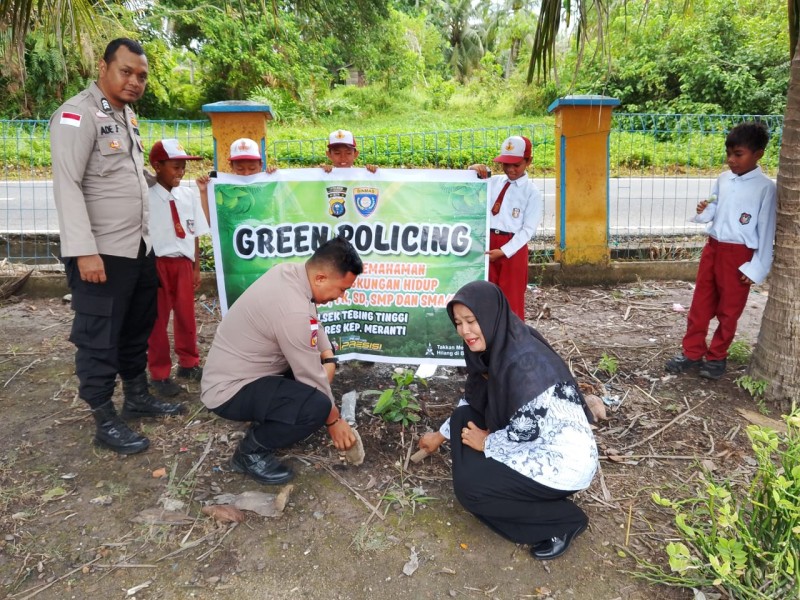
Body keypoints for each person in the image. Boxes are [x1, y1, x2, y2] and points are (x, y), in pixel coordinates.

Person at [49, 38, 184, 456]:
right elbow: (68, 185)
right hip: (101, 252)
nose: (135, 81)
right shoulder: (76, 114)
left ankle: (137, 396)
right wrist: (83, 250)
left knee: (135, 326)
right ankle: (104, 418)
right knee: (99, 335)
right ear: (104, 68)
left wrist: (169, 181)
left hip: (137, 248)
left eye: (142, 75)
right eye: (126, 71)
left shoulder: (126, 116)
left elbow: (126, 175)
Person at [418, 281, 597, 561]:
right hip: (530, 439)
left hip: (562, 461)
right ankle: (504, 494)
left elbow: (527, 430)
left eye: (471, 321)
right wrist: (439, 437)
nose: (465, 331)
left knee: (471, 493)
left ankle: (563, 521)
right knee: (464, 417)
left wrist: (487, 442)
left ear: (490, 315)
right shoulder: (495, 346)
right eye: (458, 322)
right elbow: (473, 399)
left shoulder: (524, 362)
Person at [201, 236, 363, 485]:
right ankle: (249, 453)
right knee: (317, 407)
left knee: (318, 386)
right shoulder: (292, 311)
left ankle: (269, 414)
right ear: (320, 277)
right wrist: (334, 421)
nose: (341, 296)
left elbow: (312, 319)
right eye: (342, 289)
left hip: (242, 372)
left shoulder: (290, 274)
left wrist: (328, 354)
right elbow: (312, 378)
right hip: (228, 391)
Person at [665, 122, 776, 380]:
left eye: (738, 154)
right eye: (729, 154)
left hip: (740, 256)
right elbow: (714, 212)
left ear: (758, 154)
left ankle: (717, 358)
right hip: (713, 249)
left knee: (729, 310)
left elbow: (767, 229)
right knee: (700, 305)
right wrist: (704, 210)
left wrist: (757, 267)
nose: (731, 160)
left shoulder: (765, 188)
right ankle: (691, 353)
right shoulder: (723, 180)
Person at [146, 139, 211, 397]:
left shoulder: (187, 195)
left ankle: (188, 363)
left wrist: (195, 267)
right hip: (157, 264)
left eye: (183, 167)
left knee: (186, 316)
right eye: (175, 166)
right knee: (157, 320)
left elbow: (194, 233)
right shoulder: (146, 197)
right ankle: (159, 373)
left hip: (183, 264)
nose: (180, 172)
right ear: (157, 165)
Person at [469, 136, 544, 321]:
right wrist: (472, 171)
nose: (510, 169)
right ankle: (487, 338)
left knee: (511, 299)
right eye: (505, 164)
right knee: (485, 293)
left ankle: (512, 341)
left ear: (528, 161)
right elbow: (470, 187)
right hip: (487, 244)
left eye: (516, 165)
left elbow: (527, 230)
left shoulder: (532, 193)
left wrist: (503, 251)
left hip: (512, 249)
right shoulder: (493, 182)